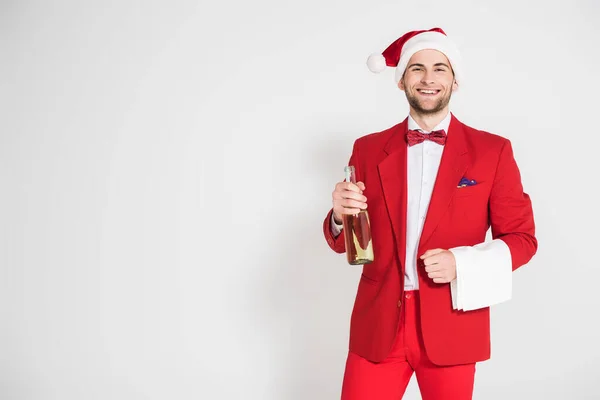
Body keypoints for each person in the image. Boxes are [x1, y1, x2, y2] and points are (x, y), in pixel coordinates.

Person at [322, 27, 538, 400]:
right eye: (416, 68)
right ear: (402, 80)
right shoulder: (368, 149)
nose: (427, 79)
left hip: (453, 323)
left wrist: (463, 262)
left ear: (455, 81)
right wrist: (340, 217)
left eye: (440, 68)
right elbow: (352, 245)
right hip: (378, 326)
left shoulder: (492, 151)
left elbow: (522, 240)